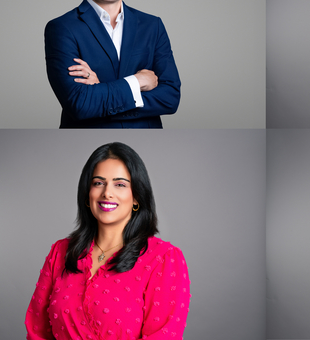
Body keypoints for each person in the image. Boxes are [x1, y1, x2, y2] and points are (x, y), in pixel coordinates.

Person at [25, 142, 190, 338]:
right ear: (88, 194)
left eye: (120, 184)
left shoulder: (163, 259)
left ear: (136, 196)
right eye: (98, 183)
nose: (107, 193)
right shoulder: (61, 252)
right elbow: (37, 332)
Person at [45, 0, 181, 128]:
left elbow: (170, 97)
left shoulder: (153, 25)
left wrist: (101, 94)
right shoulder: (61, 29)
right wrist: (137, 81)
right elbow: (80, 104)